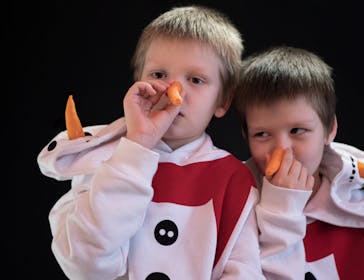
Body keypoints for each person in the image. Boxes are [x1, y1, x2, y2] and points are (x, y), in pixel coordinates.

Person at [37, 5, 265, 279]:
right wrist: (138, 146)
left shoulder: (235, 179)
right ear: (139, 84)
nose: (173, 90)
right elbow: (85, 265)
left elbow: (245, 272)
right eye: (158, 75)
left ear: (223, 101)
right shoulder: (103, 161)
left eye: (195, 79)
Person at [234, 46, 364, 279]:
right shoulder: (236, 207)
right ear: (246, 136)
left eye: (297, 130)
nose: (282, 150)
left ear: (329, 129)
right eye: (262, 134)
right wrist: (280, 210)